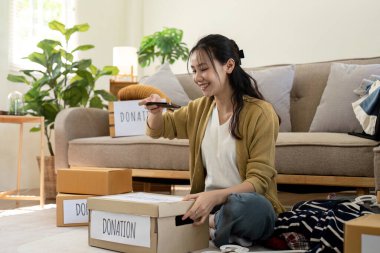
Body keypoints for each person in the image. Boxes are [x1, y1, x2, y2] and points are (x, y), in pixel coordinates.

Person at [141, 34, 285, 247]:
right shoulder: (199, 108)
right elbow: (160, 129)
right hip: (209, 204)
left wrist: (216, 197)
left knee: (255, 210)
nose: (198, 77)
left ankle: (208, 225)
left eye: (204, 68)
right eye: (194, 70)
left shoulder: (261, 113)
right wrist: (155, 112)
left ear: (228, 65)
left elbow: (258, 182)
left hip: (243, 203)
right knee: (167, 211)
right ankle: (222, 229)